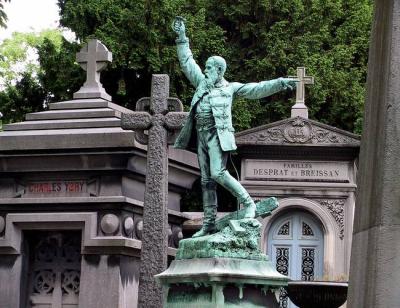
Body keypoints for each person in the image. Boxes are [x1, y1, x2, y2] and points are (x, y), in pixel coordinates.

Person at [172, 17, 297, 237]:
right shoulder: (202, 82)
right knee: (206, 181)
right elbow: (187, 62)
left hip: (217, 136)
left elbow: (256, 89)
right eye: (207, 67)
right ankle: (209, 222)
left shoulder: (230, 88)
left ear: (220, 71)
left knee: (218, 173)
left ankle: (248, 202)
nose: (206, 70)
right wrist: (182, 38)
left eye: (210, 67)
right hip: (200, 135)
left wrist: (279, 82)